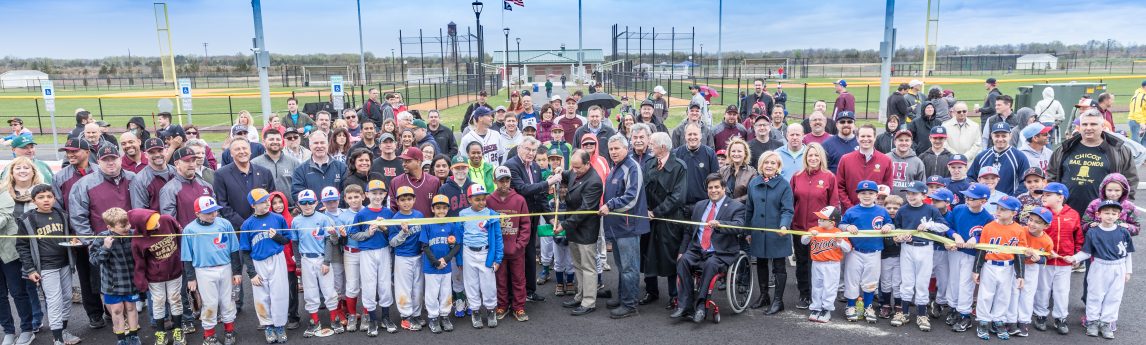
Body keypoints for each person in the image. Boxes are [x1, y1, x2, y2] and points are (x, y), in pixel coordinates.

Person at [69, 145, 135, 329]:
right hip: (104, 243)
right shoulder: (84, 184)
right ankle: (117, 322)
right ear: (98, 162)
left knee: (130, 285)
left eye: (113, 158)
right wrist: (92, 242)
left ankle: (130, 323)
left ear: (120, 159)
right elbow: (78, 216)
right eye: (105, 160)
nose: (110, 162)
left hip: (129, 242)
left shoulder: (133, 178)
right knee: (106, 284)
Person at [671, 174, 746, 323]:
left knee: (710, 264)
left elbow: (739, 226)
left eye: (717, 187)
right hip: (698, 249)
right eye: (710, 188)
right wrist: (682, 251)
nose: (713, 190)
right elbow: (689, 231)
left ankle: (701, 306)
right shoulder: (699, 206)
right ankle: (684, 305)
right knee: (683, 261)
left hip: (721, 251)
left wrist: (721, 224)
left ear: (724, 188)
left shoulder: (736, 206)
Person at [16, 185, 82, 345]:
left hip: (64, 263)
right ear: (33, 201)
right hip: (46, 266)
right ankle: (57, 338)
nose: (46, 200)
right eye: (41, 197)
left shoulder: (62, 215)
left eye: (49, 196)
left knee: (67, 297)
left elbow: (71, 235)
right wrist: (30, 269)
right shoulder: (28, 219)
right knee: (54, 301)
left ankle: (63, 331)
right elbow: (22, 246)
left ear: (54, 198)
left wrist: (74, 240)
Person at [1064, 200, 1133, 339]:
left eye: (1114, 213)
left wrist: (1128, 271)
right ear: (1098, 214)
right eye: (1106, 213)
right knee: (1095, 295)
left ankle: (1106, 322)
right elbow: (1087, 252)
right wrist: (1074, 258)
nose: (1110, 216)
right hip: (1099, 267)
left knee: (1114, 297)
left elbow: (1128, 253)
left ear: (1119, 215)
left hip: (1118, 266)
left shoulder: (1123, 232)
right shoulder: (1093, 232)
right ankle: (1092, 321)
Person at [1047, 109, 1138, 214]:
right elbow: (1051, 176)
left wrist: (1124, 207)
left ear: (1102, 126)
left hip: (1103, 215)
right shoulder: (1065, 149)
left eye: (1093, 124)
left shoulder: (1119, 151)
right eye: (1084, 124)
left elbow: (1130, 180)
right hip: (1066, 213)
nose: (1088, 128)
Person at [504, 138, 561, 302]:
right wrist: (548, 182)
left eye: (533, 150)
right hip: (516, 219)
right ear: (519, 148)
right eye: (527, 149)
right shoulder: (511, 165)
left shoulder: (535, 167)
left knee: (529, 255)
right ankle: (513, 293)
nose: (530, 153)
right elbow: (523, 189)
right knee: (516, 256)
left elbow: (540, 196)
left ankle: (529, 290)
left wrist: (551, 219)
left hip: (532, 217)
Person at [598, 134, 649, 319]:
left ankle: (630, 304)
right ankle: (622, 297)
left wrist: (610, 205)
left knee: (629, 267)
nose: (613, 152)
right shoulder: (615, 167)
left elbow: (632, 197)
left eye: (617, 148)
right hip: (617, 226)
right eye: (611, 149)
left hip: (629, 227)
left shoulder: (632, 167)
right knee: (621, 266)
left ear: (626, 149)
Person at [180, 196, 241, 345]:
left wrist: (237, 271)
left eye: (215, 211)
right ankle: (209, 335)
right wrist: (191, 278)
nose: (213, 214)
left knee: (228, 301)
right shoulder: (189, 229)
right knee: (209, 303)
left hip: (225, 267)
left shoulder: (225, 224)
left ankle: (229, 330)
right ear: (197, 213)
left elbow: (234, 249)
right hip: (203, 270)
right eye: (208, 212)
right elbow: (187, 257)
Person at [890, 182, 948, 331]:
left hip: (925, 248)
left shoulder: (931, 209)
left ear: (923, 195)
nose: (910, 196)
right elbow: (896, 230)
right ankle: (904, 312)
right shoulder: (902, 210)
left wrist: (929, 225)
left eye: (914, 193)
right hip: (907, 247)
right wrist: (900, 237)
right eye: (908, 193)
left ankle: (922, 314)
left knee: (922, 282)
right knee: (907, 281)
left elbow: (944, 226)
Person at [639, 133, 687, 307]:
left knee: (670, 257)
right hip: (649, 218)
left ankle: (674, 295)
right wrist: (645, 210)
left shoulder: (679, 167)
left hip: (669, 219)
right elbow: (642, 189)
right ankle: (651, 291)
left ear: (663, 147)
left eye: (652, 144)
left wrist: (656, 212)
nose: (649, 146)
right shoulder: (649, 163)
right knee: (648, 254)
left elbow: (678, 197)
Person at [789, 143, 838, 309]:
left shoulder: (829, 177)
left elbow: (833, 205)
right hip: (799, 228)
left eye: (816, 155)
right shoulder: (797, 176)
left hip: (819, 231)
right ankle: (804, 294)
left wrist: (829, 228)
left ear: (821, 157)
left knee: (817, 264)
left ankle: (819, 296)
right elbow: (790, 202)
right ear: (805, 157)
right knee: (802, 262)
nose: (813, 158)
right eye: (810, 155)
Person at [970, 196, 1027, 340]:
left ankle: (998, 320)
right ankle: (983, 321)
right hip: (990, 265)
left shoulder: (1019, 230)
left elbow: (1019, 254)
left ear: (1014, 213)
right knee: (985, 294)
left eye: (1003, 209)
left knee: (1003, 295)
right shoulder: (989, 227)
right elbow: (981, 250)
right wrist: (976, 269)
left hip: (1008, 267)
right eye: (998, 208)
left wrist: (1020, 275)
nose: (998, 211)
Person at [238, 189, 291, 343]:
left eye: (267, 200)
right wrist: (252, 273)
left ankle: (279, 325)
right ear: (253, 205)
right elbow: (245, 251)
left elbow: (287, 240)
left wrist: (277, 236)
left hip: (277, 259)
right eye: (262, 202)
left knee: (279, 293)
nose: (267, 203)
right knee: (261, 296)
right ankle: (268, 325)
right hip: (258, 262)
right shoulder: (247, 224)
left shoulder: (278, 218)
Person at [745, 151, 795, 314]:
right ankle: (764, 295)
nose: (769, 165)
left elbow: (787, 210)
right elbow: (749, 209)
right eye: (766, 162)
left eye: (773, 163)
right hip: (758, 232)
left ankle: (778, 301)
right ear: (761, 165)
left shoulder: (784, 185)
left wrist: (784, 226)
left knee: (779, 266)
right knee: (760, 263)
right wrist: (748, 231)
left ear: (778, 166)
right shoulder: (754, 183)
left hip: (778, 232)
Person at [126, 208, 184, 345]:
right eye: (152, 224)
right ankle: (161, 333)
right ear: (143, 227)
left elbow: (180, 236)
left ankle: (178, 331)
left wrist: (182, 258)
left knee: (175, 299)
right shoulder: (138, 240)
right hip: (155, 277)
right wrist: (141, 280)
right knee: (158, 302)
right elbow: (139, 262)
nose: (157, 223)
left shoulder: (167, 220)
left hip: (175, 272)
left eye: (156, 219)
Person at [289, 189, 343, 336]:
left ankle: (334, 318)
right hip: (306, 259)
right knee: (310, 291)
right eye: (303, 203)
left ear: (316, 202)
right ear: (298, 204)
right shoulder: (296, 221)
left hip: (321, 258)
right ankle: (314, 321)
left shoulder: (324, 218)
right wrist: (298, 263)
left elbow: (329, 241)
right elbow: (295, 243)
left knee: (328, 289)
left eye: (310, 202)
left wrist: (327, 261)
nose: (307, 205)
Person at [838, 180, 893, 323]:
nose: (867, 195)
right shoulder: (852, 211)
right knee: (852, 279)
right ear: (858, 195)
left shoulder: (881, 211)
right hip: (855, 251)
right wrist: (847, 227)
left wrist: (888, 226)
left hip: (874, 251)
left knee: (871, 281)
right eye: (863, 193)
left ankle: (868, 306)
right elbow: (841, 224)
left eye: (870, 193)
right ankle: (851, 306)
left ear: (876, 195)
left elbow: (890, 224)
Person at [347, 180, 397, 336]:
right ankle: (372, 320)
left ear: (385, 194)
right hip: (367, 252)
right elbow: (353, 234)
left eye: (380, 193)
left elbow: (392, 234)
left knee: (385, 283)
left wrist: (384, 229)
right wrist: (368, 233)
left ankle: (386, 317)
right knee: (369, 284)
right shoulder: (362, 214)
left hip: (384, 250)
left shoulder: (388, 213)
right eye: (374, 193)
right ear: (367, 194)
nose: (377, 196)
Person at [942, 183, 993, 332]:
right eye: (967, 196)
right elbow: (948, 226)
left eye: (972, 198)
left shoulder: (987, 217)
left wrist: (976, 239)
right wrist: (954, 235)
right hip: (955, 251)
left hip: (971, 254)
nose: (968, 199)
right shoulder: (959, 209)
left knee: (966, 284)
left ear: (983, 201)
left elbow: (986, 235)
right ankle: (953, 308)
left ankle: (965, 314)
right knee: (953, 281)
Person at [1031, 182, 1081, 334]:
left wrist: (1076, 257)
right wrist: (1042, 252)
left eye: (1048, 195)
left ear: (1060, 197)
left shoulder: (1073, 214)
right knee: (1042, 289)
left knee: (1062, 291)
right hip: (1045, 260)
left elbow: (1078, 237)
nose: (1043, 197)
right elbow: (1034, 236)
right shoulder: (1041, 213)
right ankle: (1040, 315)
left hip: (1064, 261)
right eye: (1043, 194)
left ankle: (1060, 318)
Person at [485, 167, 532, 322]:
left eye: (507, 180)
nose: (504, 184)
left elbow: (526, 225)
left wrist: (520, 245)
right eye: (501, 181)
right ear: (495, 181)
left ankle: (519, 307)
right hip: (498, 251)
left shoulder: (519, 200)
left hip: (516, 250)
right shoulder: (489, 200)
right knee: (500, 280)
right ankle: (502, 305)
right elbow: (486, 225)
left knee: (519, 279)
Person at [90, 208, 140, 345]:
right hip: (111, 283)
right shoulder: (102, 238)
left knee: (131, 308)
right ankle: (121, 340)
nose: (127, 227)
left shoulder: (133, 235)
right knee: (117, 310)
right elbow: (94, 260)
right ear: (110, 227)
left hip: (130, 281)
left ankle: (134, 337)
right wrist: (105, 248)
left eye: (128, 224)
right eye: (123, 226)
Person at [458, 184, 504, 329]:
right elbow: (459, 236)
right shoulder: (463, 214)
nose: (481, 202)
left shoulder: (491, 214)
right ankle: (475, 311)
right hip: (468, 252)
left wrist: (498, 259)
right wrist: (459, 259)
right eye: (477, 199)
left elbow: (498, 238)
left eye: (483, 199)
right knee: (471, 284)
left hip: (485, 253)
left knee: (488, 284)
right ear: (469, 199)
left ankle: (491, 310)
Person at [1008, 207, 1055, 337]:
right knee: (1013, 292)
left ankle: (1024, 321)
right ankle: (1011, 320)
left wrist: (1039, 259)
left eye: (1038, 222)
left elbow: (1047, 258)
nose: (1032, 224)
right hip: (1016, 265)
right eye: (1031, 219)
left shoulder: (1047, 241)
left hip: (1031, 268)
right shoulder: (1021, 230)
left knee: (1027, 294)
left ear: (1046, 226)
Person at [419, 195, 463, 333]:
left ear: (448, 209)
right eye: (438, 208)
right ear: (432, 209)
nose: (441, 210)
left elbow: (457, 245)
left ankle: (444, 315)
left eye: (444, 208)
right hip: (431, 266)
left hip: (446, 266)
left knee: (446, 292)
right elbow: (425, 246)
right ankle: (433, 317)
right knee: (432, 293)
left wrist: (446, 259)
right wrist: (436, 262)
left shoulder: (451, 225)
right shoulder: (427, 224)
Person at [801, 206, 850, 323]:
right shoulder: (814, 229)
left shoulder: (838, 232)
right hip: (817, 263)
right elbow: (803, 241)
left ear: (832, 222)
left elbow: (848, 248)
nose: (819, 220)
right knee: (817, 286)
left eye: (823, 219)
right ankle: (816, 308)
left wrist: (840, 241)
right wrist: (809, 235)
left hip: (832, 264)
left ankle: (826, 309)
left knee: (829, 287)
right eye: (819, 218)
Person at [835, 125, 892, 210]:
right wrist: (850, 208)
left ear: (875, 138)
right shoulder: (845, 159)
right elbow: (839, 187)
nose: (866, 139)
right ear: (857, 138)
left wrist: (876, 207)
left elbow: (887, 187)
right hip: (850, 212)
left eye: (869, 136)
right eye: (862, 136)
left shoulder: (886, 160)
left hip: (875, 212)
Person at [159, 147, 215, 227]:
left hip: (209, 233)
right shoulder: (169, 189)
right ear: (177, 164)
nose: (191, 164)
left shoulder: (207, 186)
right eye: (187, 161)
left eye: (193, 160)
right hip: (185, 234)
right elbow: (170, 222)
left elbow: (215, 214)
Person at [969, 122, 1030, 195]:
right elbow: (970, 178)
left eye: (1004, 136)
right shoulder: (982, 156)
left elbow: (1026, 181)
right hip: (984, 199)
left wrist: (1014, 198)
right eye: (997, 136)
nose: (1000, 139)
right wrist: (978, 194)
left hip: (1008, 200)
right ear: (992, 136)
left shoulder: (1019, 156)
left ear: (1010, 136)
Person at [673, 123, 718, 216]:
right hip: (680, 206)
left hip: (703, 205)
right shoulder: (676, 154)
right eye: (689, 134)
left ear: (701, 136)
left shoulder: (710, 154)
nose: (692, 137)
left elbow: (715, 180)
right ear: (685, 136)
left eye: (695, 134)